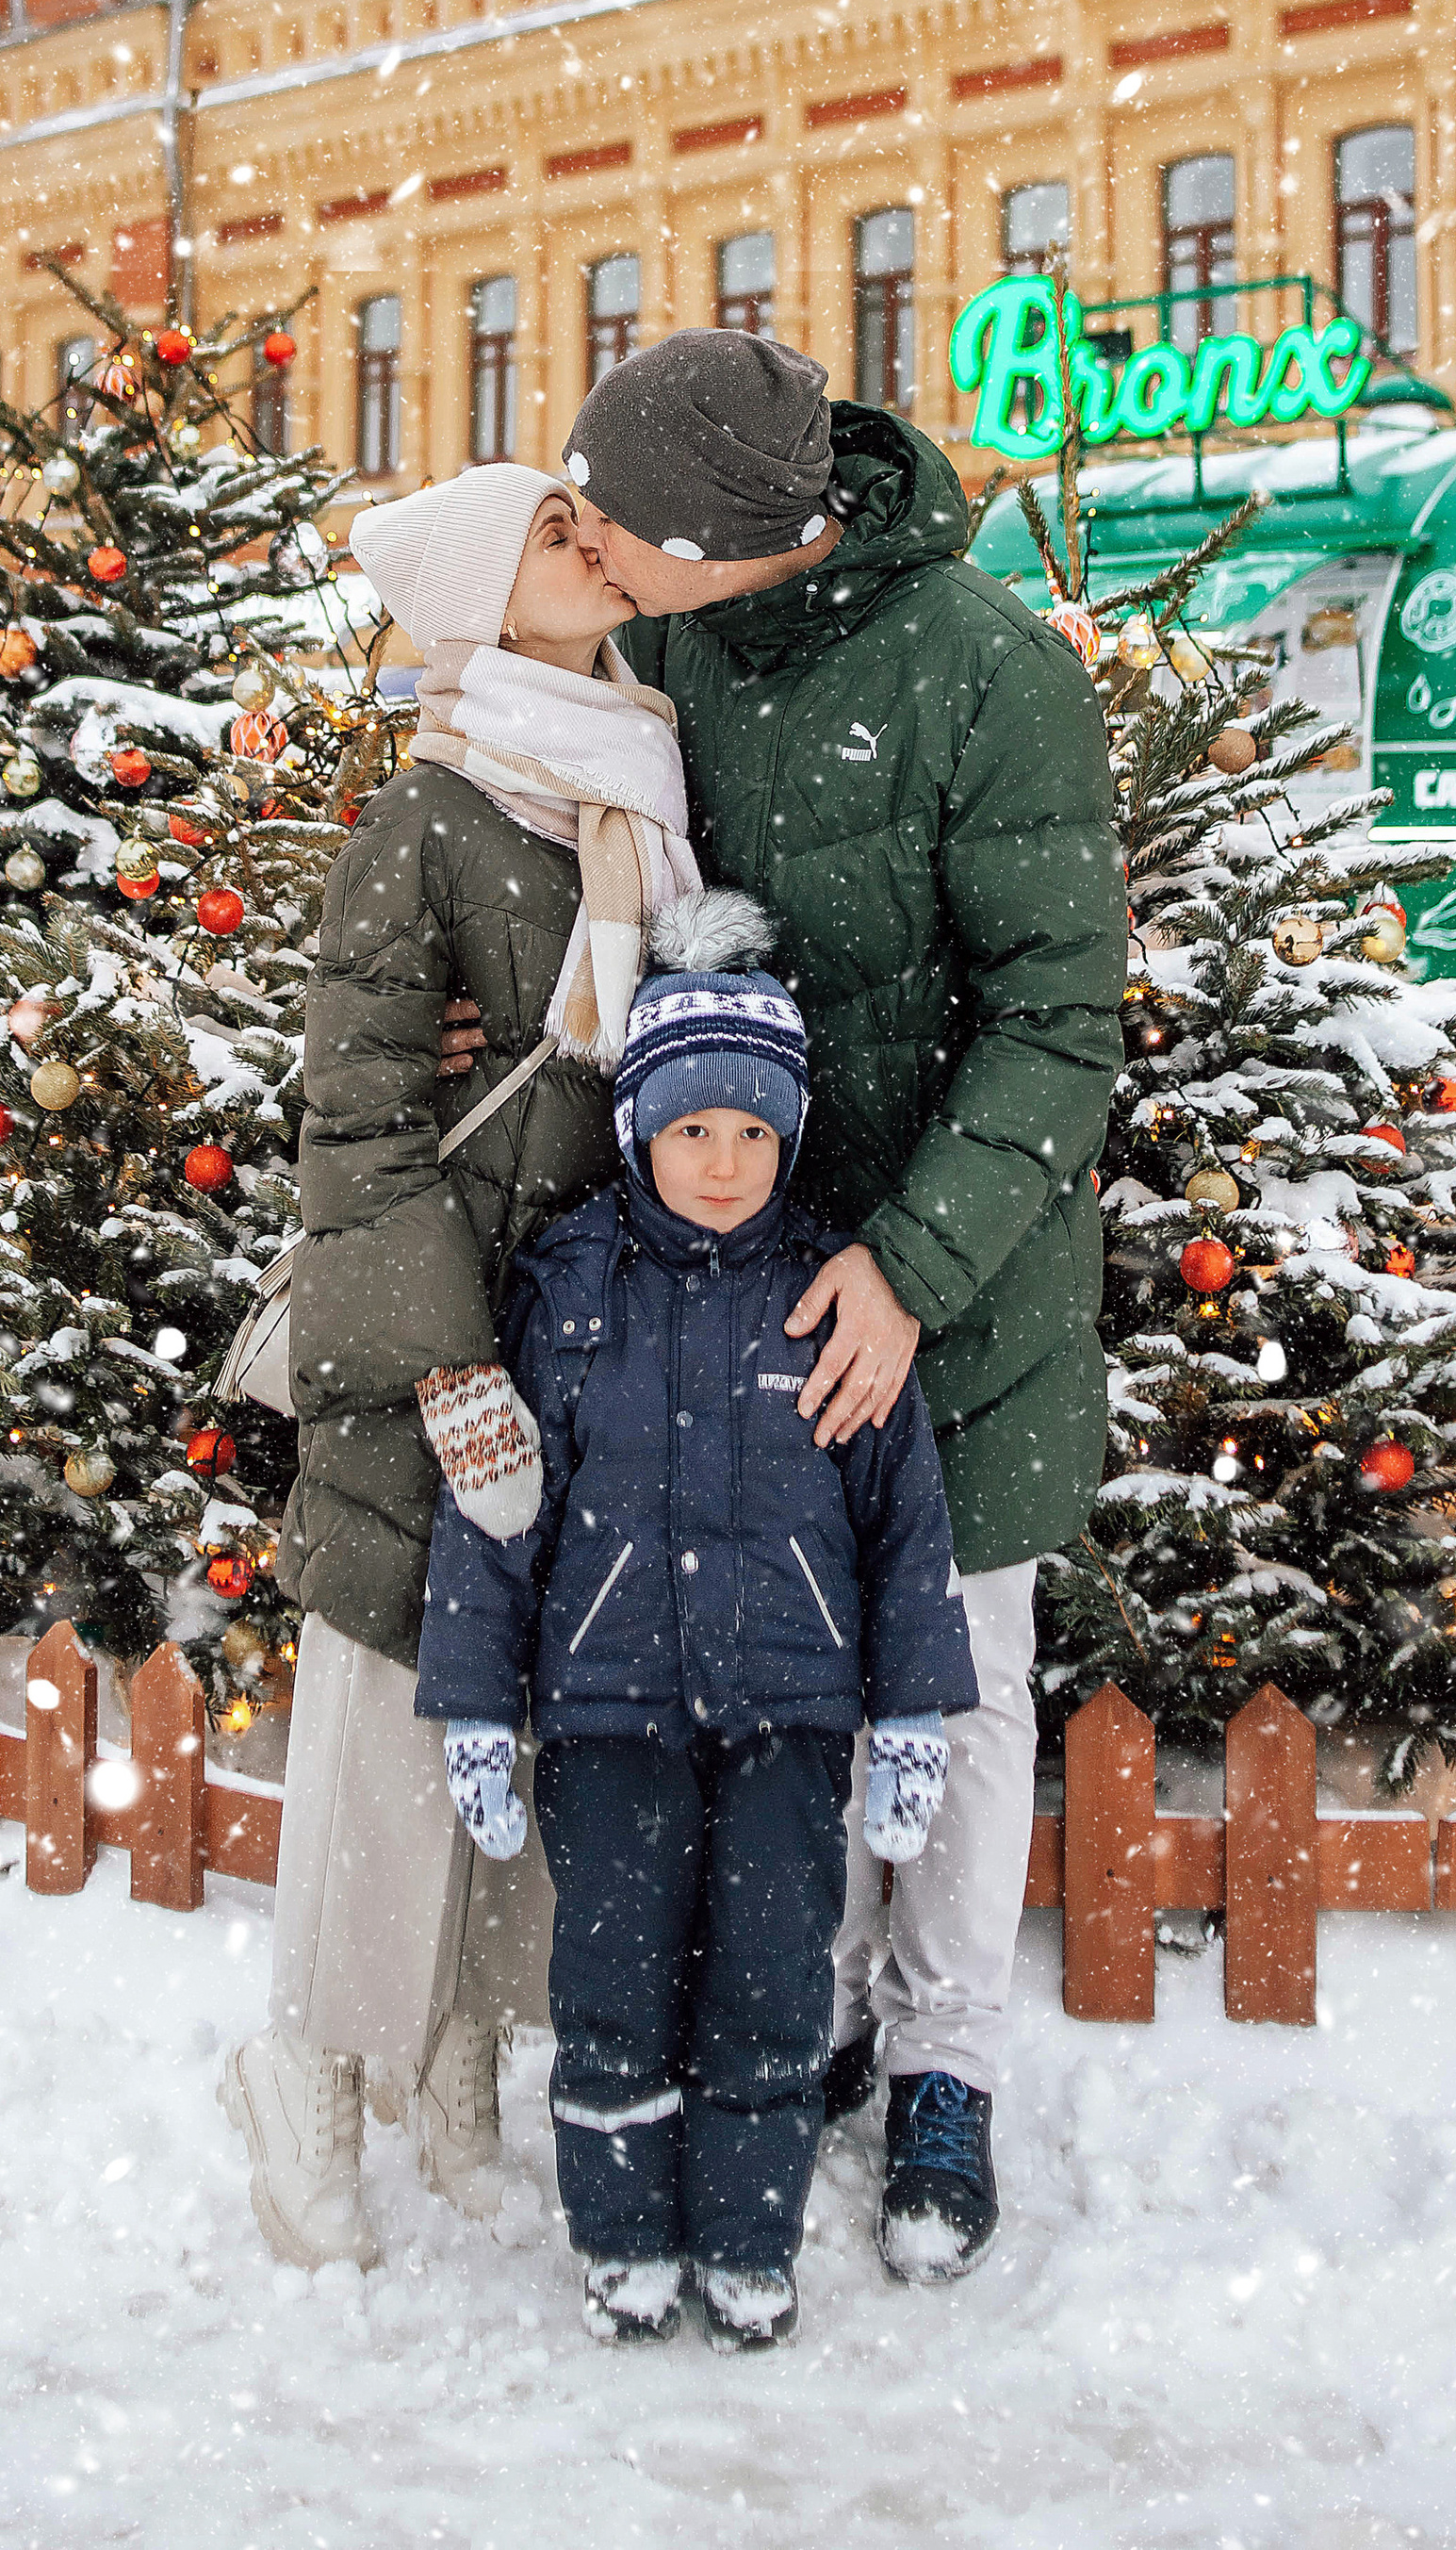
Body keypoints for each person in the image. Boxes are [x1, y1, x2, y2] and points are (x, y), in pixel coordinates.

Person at [556, 325, 1127, 2282]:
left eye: (627, 527)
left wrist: (914, 1259)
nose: (600, 549)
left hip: (965, 1286)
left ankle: (947, 2061)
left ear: (736, 536)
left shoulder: (986, 671)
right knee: (794, 1667)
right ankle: (819, 2010)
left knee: (953, 1684)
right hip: (749, 1267)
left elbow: (1059, 1016)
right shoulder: (684, 652)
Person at [220, 462, 700, 2269]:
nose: (598, 541)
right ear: (484, 601)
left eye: (591, 522)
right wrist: (439, 1369)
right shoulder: (424, 821)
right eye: (555, 536)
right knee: (385, 1721)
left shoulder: (637, 779)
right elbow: (354, 1116)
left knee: (530, 1724)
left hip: (581, 1330)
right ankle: (307, 2079)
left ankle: (455, 2056)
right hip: (434, 1344)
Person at [416, 948, 978, 2349]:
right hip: (609, 1715)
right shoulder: (567, 1287)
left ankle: (744, 2237)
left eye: (750, 1132)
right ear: (638, 1132)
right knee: (609, 1988)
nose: (723, 1163)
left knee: (772, 1984)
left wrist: (913, 1712)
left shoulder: (830, 1297)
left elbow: (905, 1523)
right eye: (690, 1130)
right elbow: (493, 1515)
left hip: (788, 1716)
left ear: (784, 1135)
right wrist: (477, 1705)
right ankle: (621, 2238)